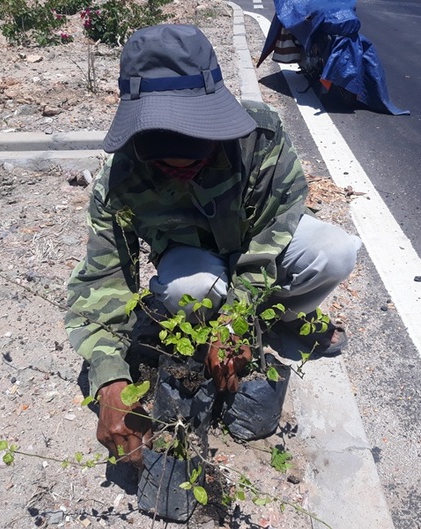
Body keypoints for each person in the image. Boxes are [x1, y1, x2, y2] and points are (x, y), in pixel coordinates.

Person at [65, 24, 361, 467]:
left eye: (197, 148)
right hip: (193, 263)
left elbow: (269, 238)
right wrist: (109, 382)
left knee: (334, 252)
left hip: (255, 251)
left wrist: (237, 321)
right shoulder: (120, 182)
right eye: (162, 155)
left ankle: (277, 320)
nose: (181, 166)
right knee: (193, 288)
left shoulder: (260, 140)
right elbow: (103, 283)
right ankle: (209, 328)